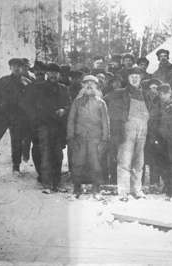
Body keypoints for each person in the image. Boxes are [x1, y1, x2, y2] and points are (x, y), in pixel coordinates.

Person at [22, 63, 71, 193]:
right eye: (50, 72)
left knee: (58, 155)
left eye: (56, 73)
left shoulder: (64, 89)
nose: (53, 75)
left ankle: (57, 183)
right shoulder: (38, 88)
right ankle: (47, 184)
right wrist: (36, 119)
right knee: (45, 154)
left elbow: (68, 105)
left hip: (58, 126)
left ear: (59, 74)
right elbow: (28, 105)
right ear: (46, 74)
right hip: (43, 125)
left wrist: (64, 110)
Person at [104, 67, 150, 199]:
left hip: (142, 131)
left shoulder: (145, 94)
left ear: (141, 78)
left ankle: (137, 189)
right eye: (132, 76)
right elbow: (105, 100)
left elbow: (151, 112)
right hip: (127, 130)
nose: (135, 78)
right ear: (128, 78)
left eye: (137, 76)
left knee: (139, 161)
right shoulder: (120, 93)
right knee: (124, 161)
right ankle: (123, 192)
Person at [67, 75, 110, 199]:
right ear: (82, 86)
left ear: (97, 86)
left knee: (96, 163)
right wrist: (70, 137)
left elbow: (105, 122)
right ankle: (77, 188)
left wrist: (105, 139)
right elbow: (71, 120)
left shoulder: (101, 103)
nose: (89, 85)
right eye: (86, 83)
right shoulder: (77, 102)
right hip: (80, 138)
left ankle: (96, 188)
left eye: (92, 83)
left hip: (95, 139)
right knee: (78, 163)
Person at [0, 58, 28, 175]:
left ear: (23, 68)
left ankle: (16, 167)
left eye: (19, 66)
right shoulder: (3, 80)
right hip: (3, 115)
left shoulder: (27, 82)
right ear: (10, 67)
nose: (17, 68)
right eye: (14, 65)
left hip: (18, 116)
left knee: (17, 142)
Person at [142, 78, 164, 187]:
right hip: (144, 132)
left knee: (155, 159)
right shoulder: (144, 100)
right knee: (141, 158)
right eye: (151, 88)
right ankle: (140, 183)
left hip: (156, 133)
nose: (153, 90)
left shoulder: (161, 102)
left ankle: (154, 183)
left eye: (155, 88)